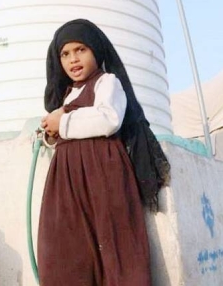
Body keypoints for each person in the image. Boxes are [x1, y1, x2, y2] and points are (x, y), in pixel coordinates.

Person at [37, 19, 170, 285]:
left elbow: (108, 119)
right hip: (67, 181)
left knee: (113, 244)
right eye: (65, 53)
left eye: (81, 50)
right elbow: (64, 130)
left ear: (96, 50)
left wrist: (61, 122)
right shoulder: (65, 94)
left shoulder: (107, 82)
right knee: (65, 248)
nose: (73, 59)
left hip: (102, 175)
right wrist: (51, 134)